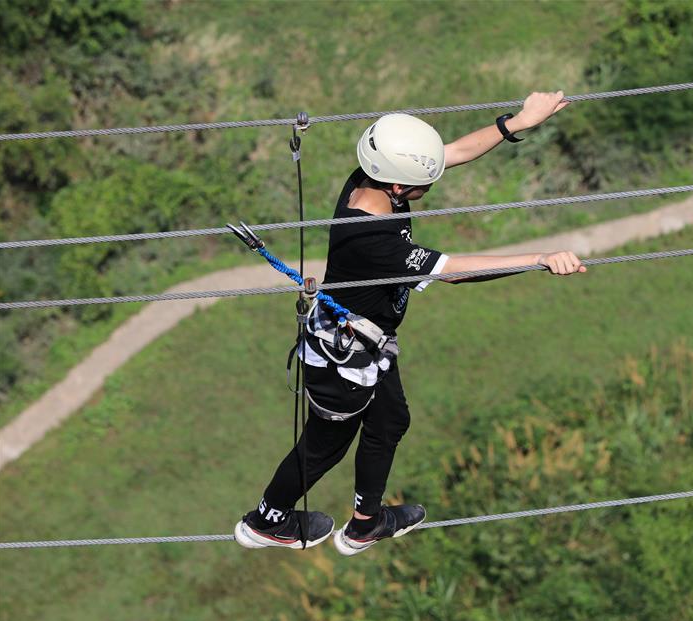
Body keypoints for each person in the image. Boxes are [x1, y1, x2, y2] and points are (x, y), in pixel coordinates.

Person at [235, 91, 586, 555]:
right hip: (343, 356)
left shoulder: (369, 178)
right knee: (325, 446)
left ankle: (365, 524)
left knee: (390, 422)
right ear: (398, 187)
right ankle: (266, 521)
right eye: (425, 182)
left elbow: (453, 153)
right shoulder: (372, 238)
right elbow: (456, 271)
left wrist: (517, 123)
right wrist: (540, 257)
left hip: (370, 340)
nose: (433, 184)